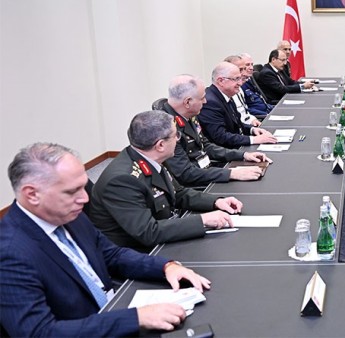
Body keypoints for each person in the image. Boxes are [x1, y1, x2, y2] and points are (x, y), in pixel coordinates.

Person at [0, 143, 211, 337]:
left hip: (111, 311)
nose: (85, 199)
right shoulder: (10, 253)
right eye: (72, 191)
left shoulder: (69, 214)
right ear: (32, 195)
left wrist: (165, 266)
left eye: (83, 186)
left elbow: (112, 254)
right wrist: (135, 318)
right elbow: (39, 333)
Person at [89, 111, 243, 251]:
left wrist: (215, 201)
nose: (178, 139)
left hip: (164, 233)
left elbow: (178, 193)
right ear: (160, 145)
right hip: (140, 253)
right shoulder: (122, 180)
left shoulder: (150, 158)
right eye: (176, 135)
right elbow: (148, 232)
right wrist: (202, 220)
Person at [159, 74, 271, 188]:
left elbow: (206, 146)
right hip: (196, 185)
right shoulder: (166, 128)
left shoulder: (188, 114)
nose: (205, 101)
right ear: (187, 102)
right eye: (202, 98)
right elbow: (186, 173)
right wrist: (231, 173)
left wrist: (243, 155)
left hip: (208, 171)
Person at [197, 62, 277, 148]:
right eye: (236, 79)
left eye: (240, 78)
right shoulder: (210, 102)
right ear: (221, 81)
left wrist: (252, 130)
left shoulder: (227, 95)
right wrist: (253, 140)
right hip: (228, 151)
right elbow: (220, 136)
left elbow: (237, 124)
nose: (240, 83)